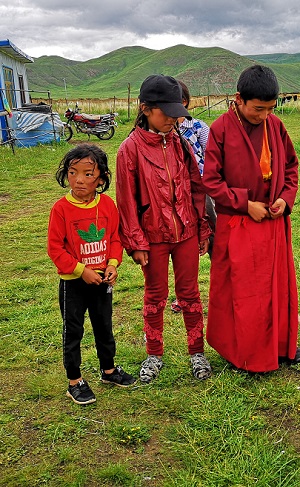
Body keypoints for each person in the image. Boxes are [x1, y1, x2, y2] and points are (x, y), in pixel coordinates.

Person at [202, 64, 300, 372]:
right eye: (258, 109)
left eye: (270, 109)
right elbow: (211, 180)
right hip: (239, 225)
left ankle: (281, 347)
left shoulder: (276, 125)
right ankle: (243, 353)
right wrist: (245, 204)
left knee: (277, 289)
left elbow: (291, 169)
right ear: (238, 99)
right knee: (243, 294)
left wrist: (285, 198)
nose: (264, 116)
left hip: (274, 224)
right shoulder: (220, 129)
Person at [116, 74, 213, 383]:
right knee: (155, 296)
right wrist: (136, 242)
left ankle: (197, 352)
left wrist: (202, 228)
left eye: (177, 112)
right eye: (167, 112)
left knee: (189, 293)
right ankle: (154, 354)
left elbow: (196, 189)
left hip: (185, 233)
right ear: (146, 109)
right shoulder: (129, 150)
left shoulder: (181, 144)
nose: (174, 118)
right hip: (152, 238)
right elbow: (127, 202)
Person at [48, 144, 135, 405]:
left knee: (104, 326)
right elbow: (55, 248)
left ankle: (108, 371)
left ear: (102, 178)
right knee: (73, 331)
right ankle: (74, 381)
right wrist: (80, 270)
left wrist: (112, 264)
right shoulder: (61, 209)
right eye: (73, 172)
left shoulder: (107, 205)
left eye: (87, 174)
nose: (78, 180)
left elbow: (115, 239)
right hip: (73, 283)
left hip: (101, 281)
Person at [170, 80, 216, 313]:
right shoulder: (161, 132)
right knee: (183, 249)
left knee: (213, 241)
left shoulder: (198, 127)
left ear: (184, 103)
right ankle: (183, 296)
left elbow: (212, 158)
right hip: (174, 197)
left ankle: (223, 289)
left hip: (202, 194)